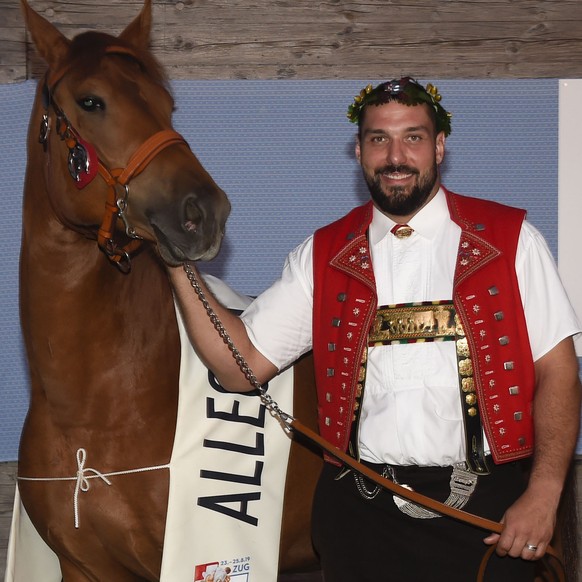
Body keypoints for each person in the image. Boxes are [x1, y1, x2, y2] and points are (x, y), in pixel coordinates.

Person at [169, 77, 582, 581]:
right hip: (359, 518)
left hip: (487, 516)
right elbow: (242, 367)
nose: (396, 155)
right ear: (359, 150)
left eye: (413, 136)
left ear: (440, 146)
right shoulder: (321, 256)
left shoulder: (511, 239)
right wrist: (176, 263)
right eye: (378, 139)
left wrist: (543, 494)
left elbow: (558, 373)